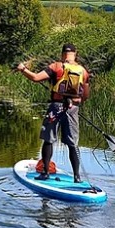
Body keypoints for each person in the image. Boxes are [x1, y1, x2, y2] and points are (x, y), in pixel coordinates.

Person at [16, 43, 90, 183]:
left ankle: (45, 173)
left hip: (56, 107)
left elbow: (36, 78)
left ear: (62, 54)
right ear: (75, 53)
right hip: (73, 108)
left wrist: (23, 69)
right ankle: (77, 177)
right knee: (73, 144)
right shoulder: (83, 71)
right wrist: (74, 103)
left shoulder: (56, 67)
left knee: (49, 139)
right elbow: (85, 95)